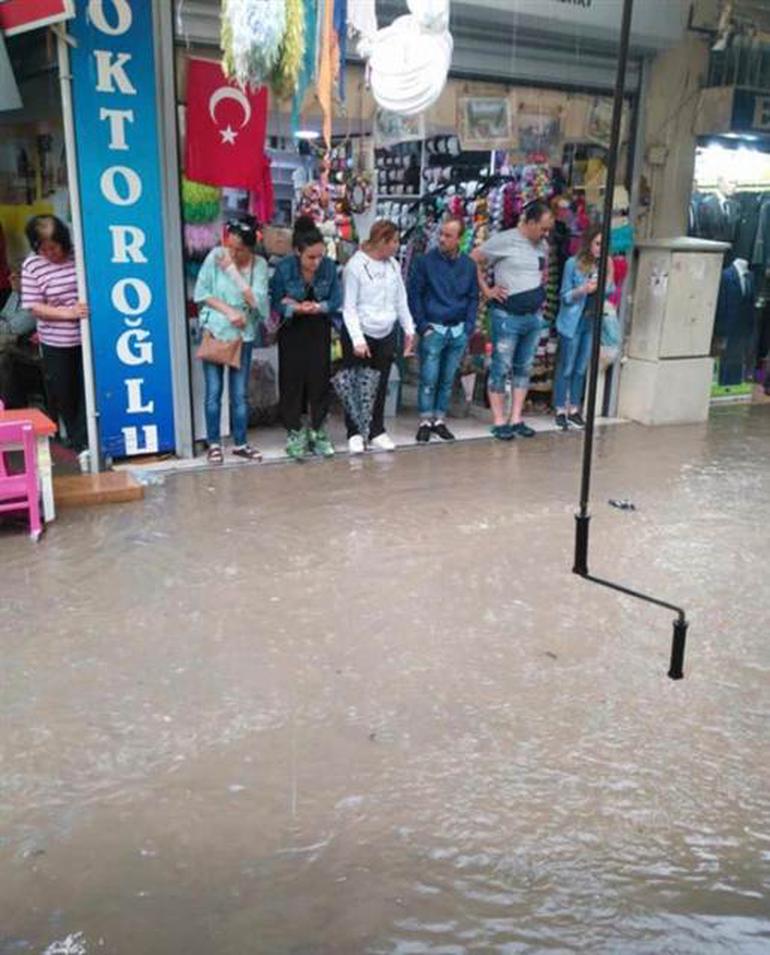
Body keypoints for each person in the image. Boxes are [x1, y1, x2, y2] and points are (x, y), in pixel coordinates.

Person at [471, 200, 553, 441]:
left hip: (533, 316)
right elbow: (474, 258)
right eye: (543, 228)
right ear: (530, 222)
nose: (545, 234)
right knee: (501, 366)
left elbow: (542, 271)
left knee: (523, 367)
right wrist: (487, 290)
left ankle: (516, 417)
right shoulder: (504, 239)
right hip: (507, 315)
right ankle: (499, 420)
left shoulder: (543, 246)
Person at [194, 215, 268, 464]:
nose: (232, 252)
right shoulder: (216, 255)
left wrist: (233, 272)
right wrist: (229, 311)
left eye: (239, 249)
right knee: (213, 391)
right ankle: (214, 444)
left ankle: (241, 443)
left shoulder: (258, 266)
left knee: (239, 394)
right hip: (216, 330)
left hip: (243, 336)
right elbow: (202, 293)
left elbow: (258, 302)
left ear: (250, 248)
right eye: (230, 245)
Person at [20, 215, 90, 471]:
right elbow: (33, 306)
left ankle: (86, 441)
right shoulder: (33, 265)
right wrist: (69, 313)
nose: (49, 252)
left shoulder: (79, 254)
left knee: (88, 390)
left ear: (64, 241)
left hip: (87, 337)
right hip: (56, 340)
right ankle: (77, 441)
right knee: (66, 392)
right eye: (43, 248)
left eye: (54, 247)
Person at [270, 217, 342, 460]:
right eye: (311, 257)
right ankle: (294, 431)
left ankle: (318, 431)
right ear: (297, 251)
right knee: (292, 380)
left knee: (319, 379)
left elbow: (335, 300)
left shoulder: (329, 267)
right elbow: (276, 301)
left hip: (319, 327)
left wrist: (318, 307)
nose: (316, 262)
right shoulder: (284, 268)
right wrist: (293, 308)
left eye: (320, 256)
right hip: (292, 329)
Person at [342, 219, 415, 454]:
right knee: (358, 383)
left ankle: (376, 430)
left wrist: (409, 329)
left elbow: (400, 299)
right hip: (362, 332)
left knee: (381, 384)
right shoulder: (355, 266)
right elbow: (349, 307)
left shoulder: (393, 265)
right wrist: (357, 339)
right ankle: (354, 432)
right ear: (382, 241)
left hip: (386, 332)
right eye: (393, 241)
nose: (396, 245)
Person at [408, 216, 478, 443]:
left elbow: (473, 297)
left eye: (448, 235)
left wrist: (468, 327)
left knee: (447, 379)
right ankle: (425, 420)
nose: (442, 239)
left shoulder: (468, 265)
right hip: (434, 327)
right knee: (428, 378)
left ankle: (439, 419)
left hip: (457, 329)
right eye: (441, 234)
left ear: (459, 239)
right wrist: (423, 326)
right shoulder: (425, 262)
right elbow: (414, 295)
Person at [553, 226, 615, 430]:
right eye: (597, 243)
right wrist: (582, 290)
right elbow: (564, 296)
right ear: (589, 242)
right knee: (567, 366)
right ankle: (560, 408)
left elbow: (608, 293)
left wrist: (609, 273)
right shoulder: (573, 264)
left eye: (603, 245)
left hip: (591, 320)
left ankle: (574, 409)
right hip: (572, 321)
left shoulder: (605, 264)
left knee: (581, 367)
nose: (600, 248)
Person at [0, 269, 40, 409]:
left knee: (3, 359)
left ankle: (12, 410)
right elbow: (3, 317)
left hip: (29, 351)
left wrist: (5, 324)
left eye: (17, 275)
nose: (11, 278)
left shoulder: (34, 299)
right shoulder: (16, 294)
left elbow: (14, 327)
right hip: (12, 342)